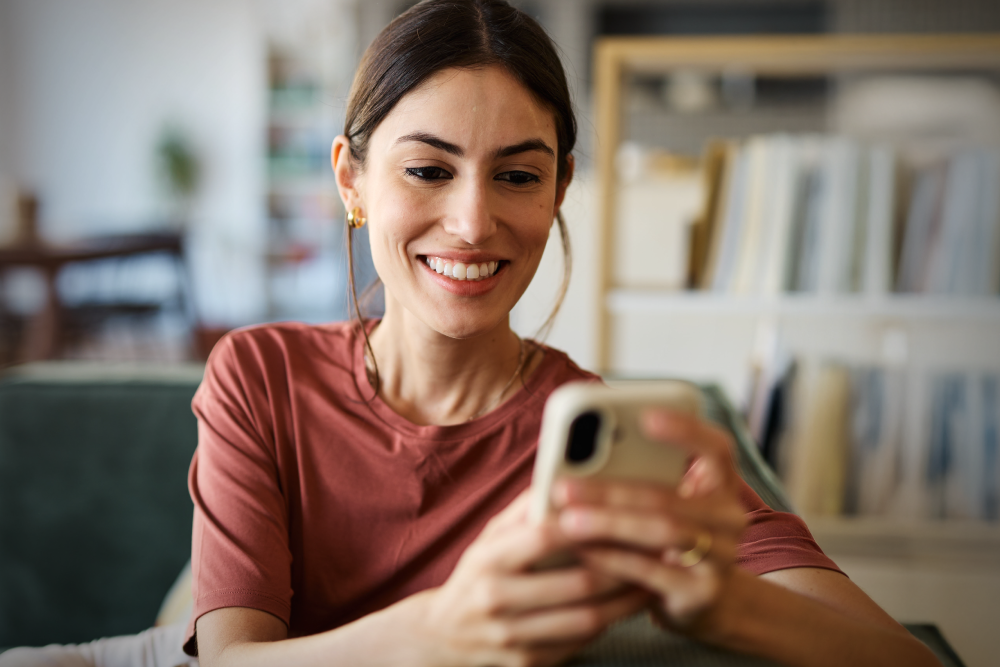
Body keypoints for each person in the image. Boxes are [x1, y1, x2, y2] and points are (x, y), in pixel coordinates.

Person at [0, 1, 940, 666]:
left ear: (560, 188)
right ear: (351, 180)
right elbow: (236, 658)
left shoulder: (602, 436)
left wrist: (720, 597)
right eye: (428, 170)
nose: (472, 221)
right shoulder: (261, 372)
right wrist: (450, 631)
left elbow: (903, 657)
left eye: (519, 177)